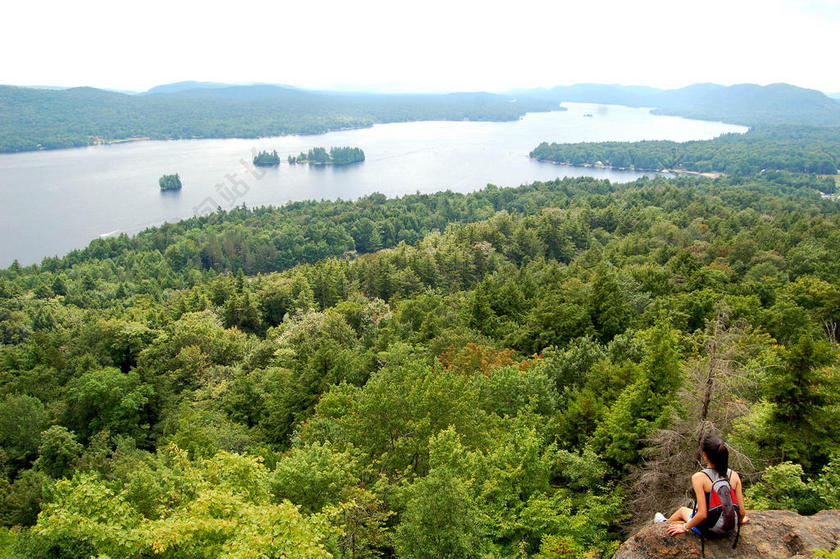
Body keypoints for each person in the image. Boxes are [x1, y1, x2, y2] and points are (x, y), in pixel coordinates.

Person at [661, 435, 750, 537]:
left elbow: (702, 514)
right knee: (686, 512)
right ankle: (664, 522)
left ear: (704, 455)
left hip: (709, 530)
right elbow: (742, 511)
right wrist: (739, 520)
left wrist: (684, 527)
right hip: (729, 529)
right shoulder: (734, 475)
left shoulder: (699, 477)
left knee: (682, 511)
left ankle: (663, 525)